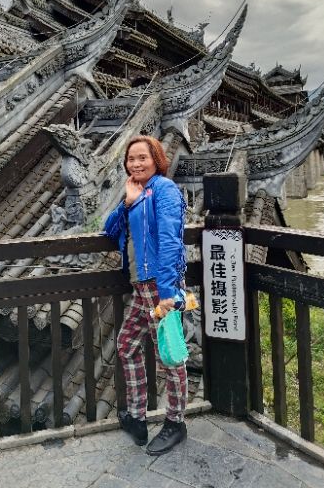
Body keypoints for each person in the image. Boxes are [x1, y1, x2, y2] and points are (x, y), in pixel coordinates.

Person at [104, 135, 188, 456]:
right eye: (131, 159)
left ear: (156, 159)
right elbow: (110, 230)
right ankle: (137, 416)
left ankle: (176, 422)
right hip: (142, 288)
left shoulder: (164, 189)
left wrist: (167, 292)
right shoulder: (137, 193)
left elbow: (170, 240)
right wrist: (127, 203)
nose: (136, 163)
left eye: (143, 157)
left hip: (158, 287)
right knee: (126, 346)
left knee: (169, 355)